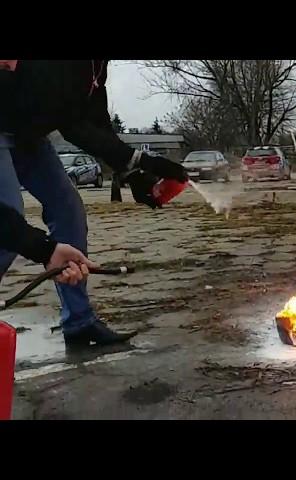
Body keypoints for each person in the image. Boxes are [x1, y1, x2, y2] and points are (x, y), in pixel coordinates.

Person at [0, 60, 188, 347]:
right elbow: (71, 124)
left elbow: (97, 125)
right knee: (9, 218)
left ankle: (79, 321)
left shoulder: (96, 68)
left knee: (69, 209)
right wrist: (139, 158)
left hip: (28, 137)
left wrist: (134, 174)